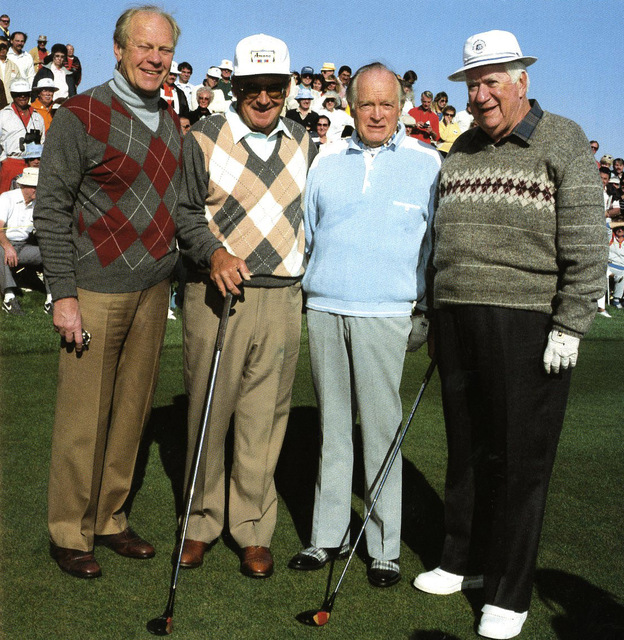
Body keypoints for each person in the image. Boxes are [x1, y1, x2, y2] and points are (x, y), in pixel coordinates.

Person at [412, 30, 606, 640]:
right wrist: (433, 311)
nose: (481, 94)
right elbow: (440, 239)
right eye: (473, 84)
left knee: (520, 461)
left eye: (492, 81)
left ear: (522, 82)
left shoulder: (563, 138)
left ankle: (508, 593)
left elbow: (587, 240)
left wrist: (570, 324)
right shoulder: (462, 147)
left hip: (526, 321)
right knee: (467, 448)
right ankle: (461, 559)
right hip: (457, 316)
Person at [33, 5, 183, 580]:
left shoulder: (169, 119)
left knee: (131, 413)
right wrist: (63, 294)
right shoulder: (80, 114)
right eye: (143, 46)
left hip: (153, 289)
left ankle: (110, 518)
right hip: (93, 289)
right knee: (83, 419)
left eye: (164, 49)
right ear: (118, 50)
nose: (154, 58)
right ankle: (69, 531)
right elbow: (51, 209)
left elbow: (179, 206)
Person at [288, 62, 440, 588]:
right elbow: (308, 233)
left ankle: (383, 546)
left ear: (401, 107)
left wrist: (427, 311)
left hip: (388, 314)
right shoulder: (326, 160)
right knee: (333, 430)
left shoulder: (427, 163)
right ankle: (326, 536)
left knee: (380, 432)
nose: (377, 114)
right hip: (326, 308)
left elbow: (434, 245)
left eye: (387, 104)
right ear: (351, 105)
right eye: (367, 103)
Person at [175, 33, 317, 579]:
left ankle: (253, 528)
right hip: (217, 294)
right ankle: (199, 521)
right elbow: (184, 213)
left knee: (265, 418)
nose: (263, 98)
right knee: (208, 412)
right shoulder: (203, 136)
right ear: (235, 87)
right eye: (253, 86)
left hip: (281, 297)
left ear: (288, 87)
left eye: (274, 87)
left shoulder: (305, 141)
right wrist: (213, 253)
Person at [0, 167, 51, 314]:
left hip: (23, 246)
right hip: (3, 242)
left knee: (50, 254)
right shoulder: (7, 198)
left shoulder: (37, 203)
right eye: (34, 187)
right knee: (1, 251)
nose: (37, 190)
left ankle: (51, 299)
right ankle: (9, 298)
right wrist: (8, 247)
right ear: (23, 186)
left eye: (39, 187)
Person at [0, 78, 45, 193]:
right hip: (11, 163)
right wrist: (3, 159)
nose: (22, 96)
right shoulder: (3, 115)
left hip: (32, 165)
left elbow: (43, 142)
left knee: (30, 199)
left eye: (25, 93)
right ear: (12, 95)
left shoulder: (38, 117)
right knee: (7, 198)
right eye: (18, 94)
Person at [0, 36, 21, 105]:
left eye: (4, 47)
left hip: (10, 103)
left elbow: (19, 85)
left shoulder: (14, 66)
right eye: (0, 46)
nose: (2, 49)